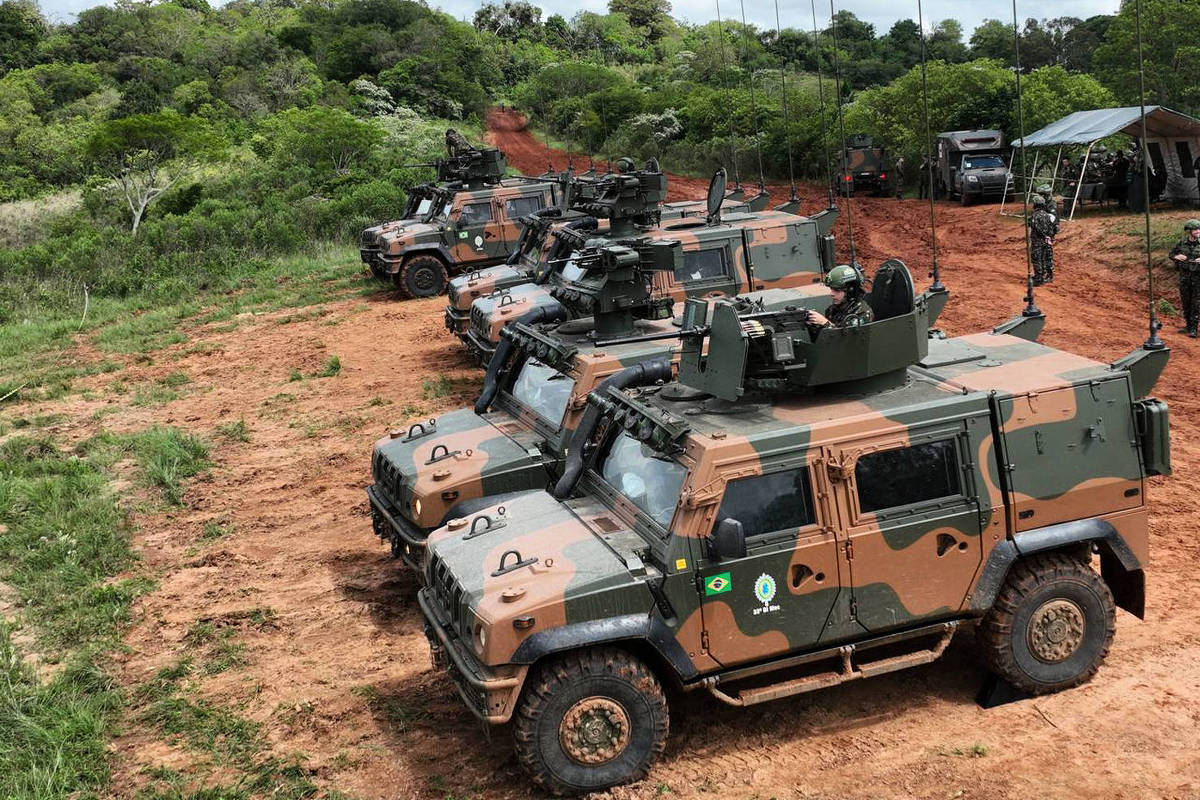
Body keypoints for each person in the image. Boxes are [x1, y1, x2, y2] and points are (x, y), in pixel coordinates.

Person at [807, 264, 873, 339]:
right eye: (831, 289)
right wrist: (814, 326)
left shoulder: (862, 313)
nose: (831, 294)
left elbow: (847, 341)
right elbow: (825, 340)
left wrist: (825, 323)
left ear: (850, 291)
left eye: (837, 290)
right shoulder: (833, 310)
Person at [1170, 219, 1200, 337]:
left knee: (1196, 304)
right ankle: (1188, 326)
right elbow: (1171, 254)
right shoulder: (1181, 243)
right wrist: (1177, 256)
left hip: (1198, 279)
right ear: (1189, 231)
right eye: (1195, 229)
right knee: (1186, 302)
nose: (1198, 231)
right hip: (1184, 278)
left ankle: (1193, 328)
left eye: (1199, 229)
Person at [1029, 195, 1056, 286]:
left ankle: (1039, 278)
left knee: (1037, 259)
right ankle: (1046, 275)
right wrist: (1049, 237)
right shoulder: (1046, 214)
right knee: (1045, 258)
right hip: (1047, 241)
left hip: (1038, 241)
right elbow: (1052, 228)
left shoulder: (1035, 215)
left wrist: (1043, 236)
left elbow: (1036, 227)